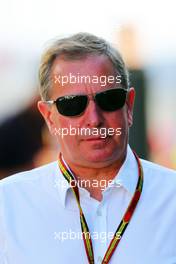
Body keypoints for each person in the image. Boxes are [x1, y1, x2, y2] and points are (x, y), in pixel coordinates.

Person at [0, 33, 176, 264]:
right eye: (72, 104)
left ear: (129, 106)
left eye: (109, 99)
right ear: (49, 118)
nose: (94, 119)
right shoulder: (7, 204)